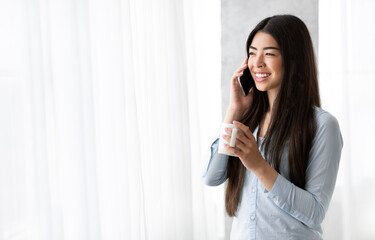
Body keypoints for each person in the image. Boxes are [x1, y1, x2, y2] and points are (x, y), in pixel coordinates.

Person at [202, 15, 343, 240]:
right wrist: (234, 110)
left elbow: (315, 212)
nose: (257, 62)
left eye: (268, 54)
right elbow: (211, 177)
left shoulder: (323, 125)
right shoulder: (247, 119)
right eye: (252, 53)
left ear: (293, 60)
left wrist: (259, 165)